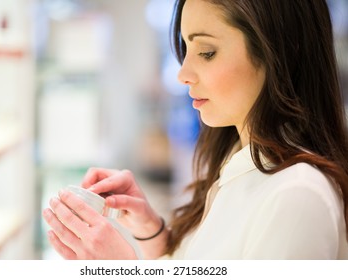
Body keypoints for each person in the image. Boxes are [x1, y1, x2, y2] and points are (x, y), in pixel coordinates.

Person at [42, 0, 348, 259]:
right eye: (185, 49)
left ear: (276, 52)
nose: (183, 75)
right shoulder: (237, 165)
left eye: (207, 52)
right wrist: (155, 234)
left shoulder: (297, 197)